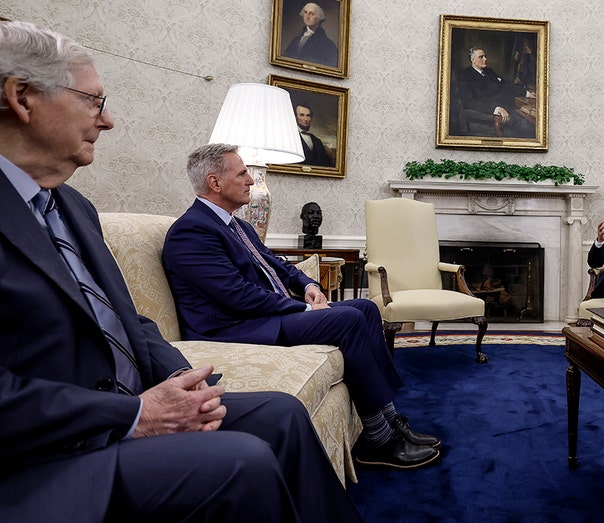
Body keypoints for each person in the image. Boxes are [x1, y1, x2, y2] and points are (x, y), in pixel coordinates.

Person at [0, 21, 360, 522]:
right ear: (22, 98)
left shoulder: (72, 207)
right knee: (243, 461)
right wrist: (136, 415)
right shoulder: (191, 231)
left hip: (130, 401)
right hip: (45, 453)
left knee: (281, 413)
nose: (108, 122)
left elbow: (131, 322)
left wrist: (178, 381)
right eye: (94, 101)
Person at [162, 143, 442, 470]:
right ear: (215, 183)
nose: (250, 180)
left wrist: (309, 286)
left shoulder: (238, 225)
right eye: (241, 174)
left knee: (366, 310)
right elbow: (235, 295)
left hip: (260, 317)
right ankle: (377, 439)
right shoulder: (191, 231)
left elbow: (279, 266)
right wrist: (304, 311)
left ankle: (391, 420)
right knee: (349, 320)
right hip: (232, 328)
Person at [456, 47, 535, 138]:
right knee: (527, 127)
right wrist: (497, 109)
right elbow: (470, 102)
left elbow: (505, 84)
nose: (485, 59)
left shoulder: (489, 71)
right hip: (492, 113)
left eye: (485, 56)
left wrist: (527, 93)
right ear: (472, 60)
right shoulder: (465, 76)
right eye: (481, 57)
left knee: (531, 121)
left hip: (508, 107)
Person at [282, 2, 338, 67]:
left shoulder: (328, 45)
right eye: (305, 12)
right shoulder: (296, 40)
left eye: (312, 14)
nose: (307, 16)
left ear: (319, 17)